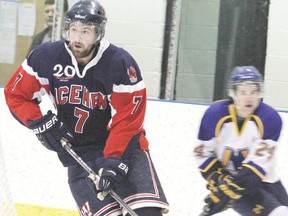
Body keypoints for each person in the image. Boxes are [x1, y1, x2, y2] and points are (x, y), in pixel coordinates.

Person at [5, 0, 169, 215]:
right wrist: (39, 122)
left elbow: (129, 118)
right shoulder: (46, 57)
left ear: (98, 33)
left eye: (85, 31)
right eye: (73, 29)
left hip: (126, 150)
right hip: (78, 153)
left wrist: (114, 160)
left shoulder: (119, 63)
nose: (77, 38)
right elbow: (16, 94)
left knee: (147, 212)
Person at [193, 66, 288, 216]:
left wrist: (228, 190)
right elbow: (201, 153)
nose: (249, 97)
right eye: (243, 92)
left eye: (254, 91)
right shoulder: (214, 115)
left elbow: (256, 168)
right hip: (236, 184)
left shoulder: (270, 118)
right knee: (279, 213)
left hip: (266, 181)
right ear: (234, 94)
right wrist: (218, 179)